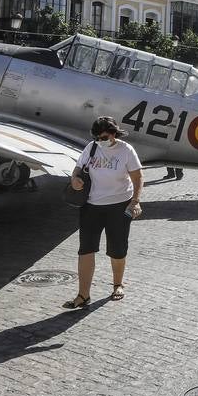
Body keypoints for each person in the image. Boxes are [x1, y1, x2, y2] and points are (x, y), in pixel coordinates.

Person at [64, 116, 143, 308]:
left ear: (114, 133)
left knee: (117, 249)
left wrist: (135, 202)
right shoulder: (91, 147)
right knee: (85, 249)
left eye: (105, 137)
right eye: (98, 137)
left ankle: (118, 284)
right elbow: (76, 171)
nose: (101, 141)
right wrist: (75, 180)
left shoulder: (125, 150)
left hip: (119, 206)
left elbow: (138, 177)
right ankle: (83, 295)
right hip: (91, 206)